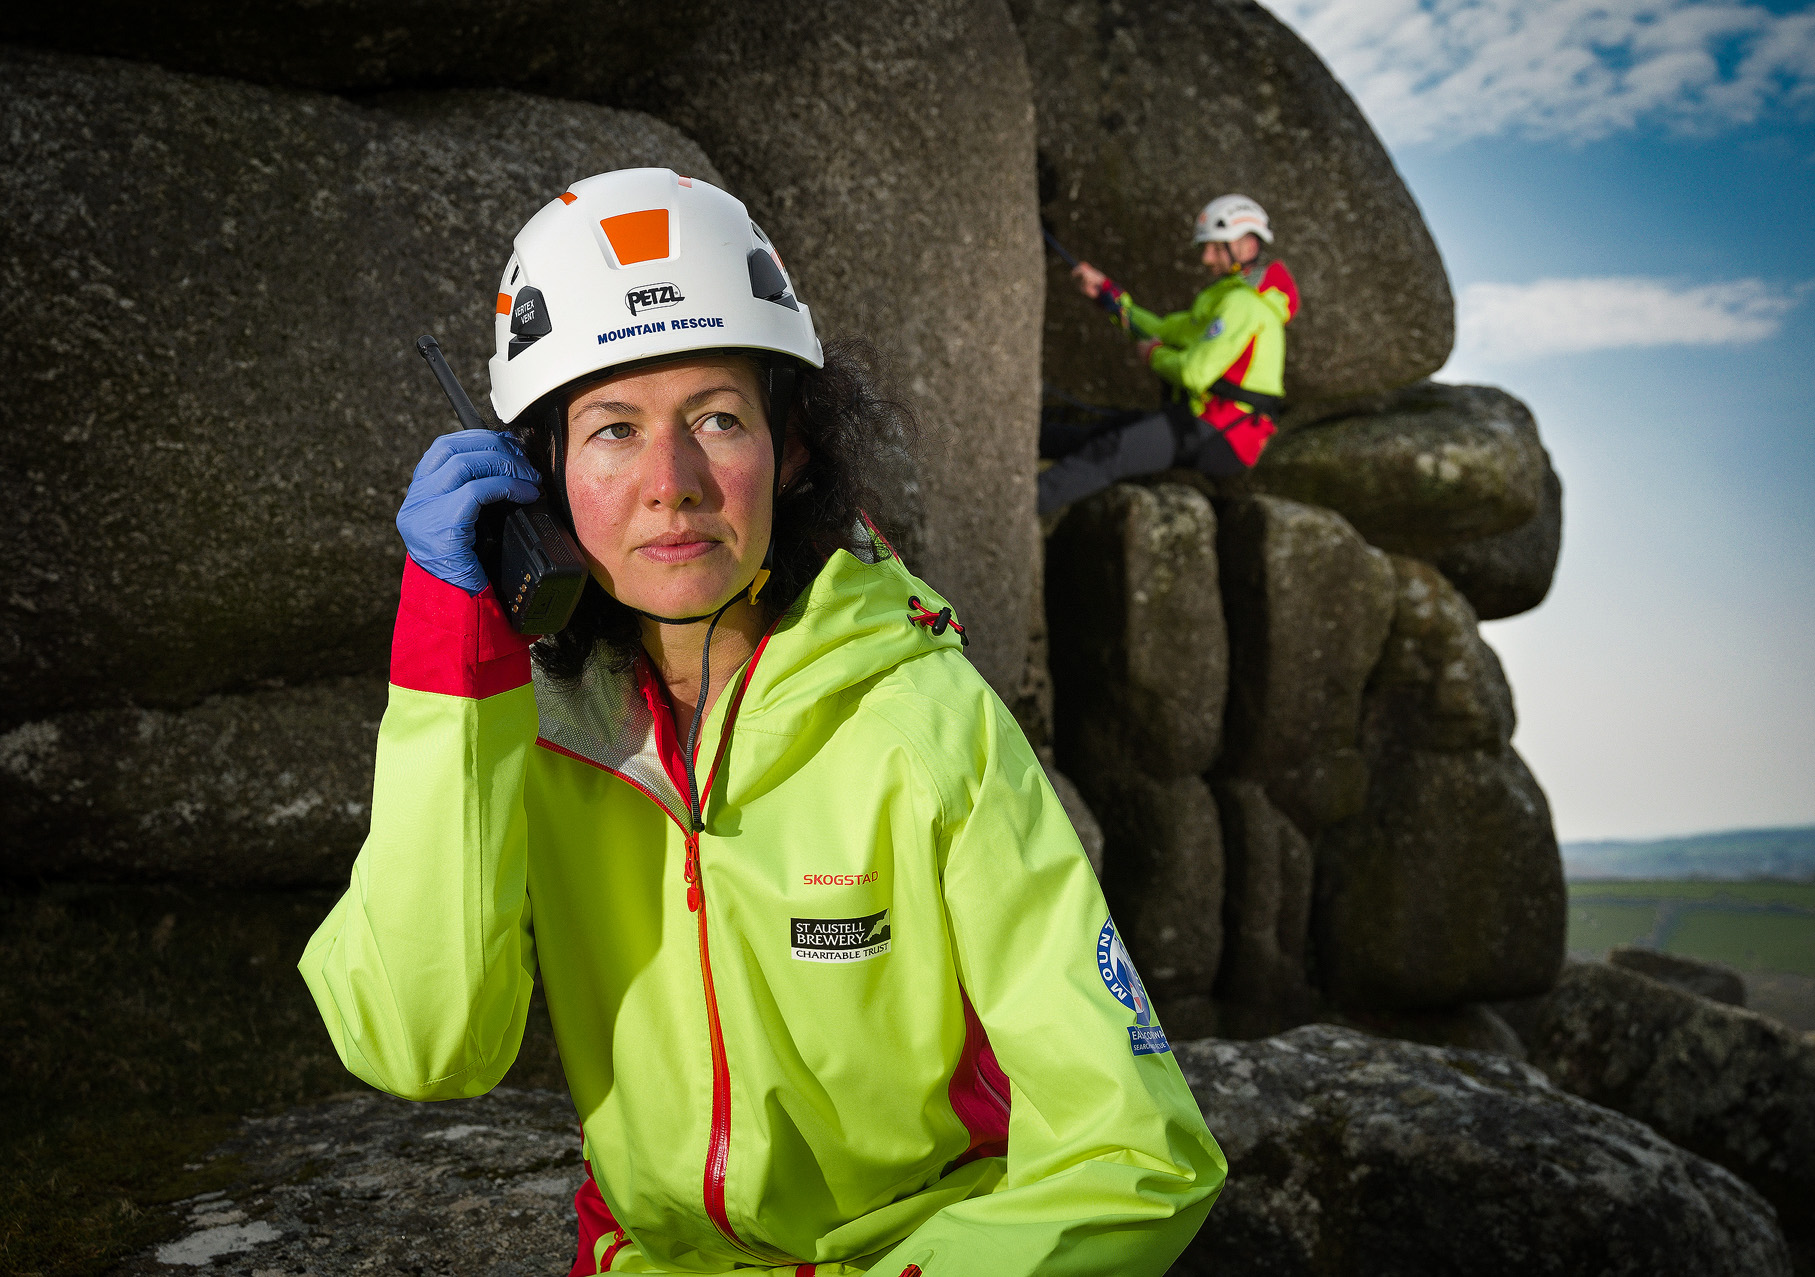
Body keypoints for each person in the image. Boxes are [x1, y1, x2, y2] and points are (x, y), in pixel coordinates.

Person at [299, 168, 1225, 1276]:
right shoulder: (527, 732)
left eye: (718, 418)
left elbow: (1136, 1152)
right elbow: (421, 1043)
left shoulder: (926, 718)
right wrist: (451, 654)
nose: (672, 483)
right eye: (612, 429)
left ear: (792, 450)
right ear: (539, 473)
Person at [1037, 194, 1298, 516]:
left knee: (1110, 450)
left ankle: (1013, 511)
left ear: (1247, 246)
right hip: (1204, 423)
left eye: (1216, 247)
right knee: (1102, 433)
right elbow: (1161, 330)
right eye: (1206, 247)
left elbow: (1193, 373)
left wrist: (1154, 356)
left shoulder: (1243, 305)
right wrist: (1107, 294)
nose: (1205, 258)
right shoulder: (1225, 297)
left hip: (1222, 435)